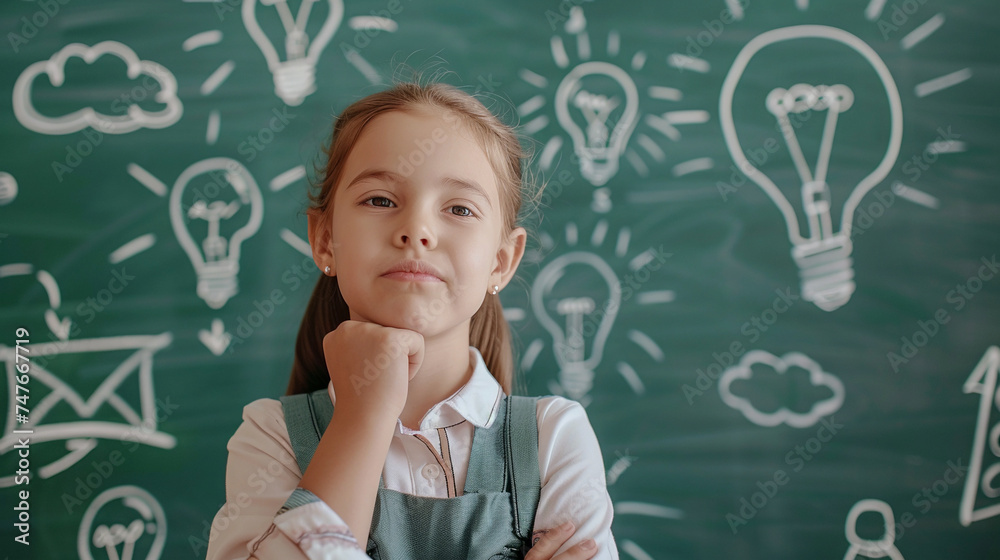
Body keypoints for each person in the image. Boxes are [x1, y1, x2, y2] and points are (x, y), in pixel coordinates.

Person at [205, 78, 618, 559]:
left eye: (459, 208)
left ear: (501, 261)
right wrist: (363, 415)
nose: (417, 230)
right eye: (380, 200)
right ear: (324, 240)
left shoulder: (554, 439)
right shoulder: (271, 436)